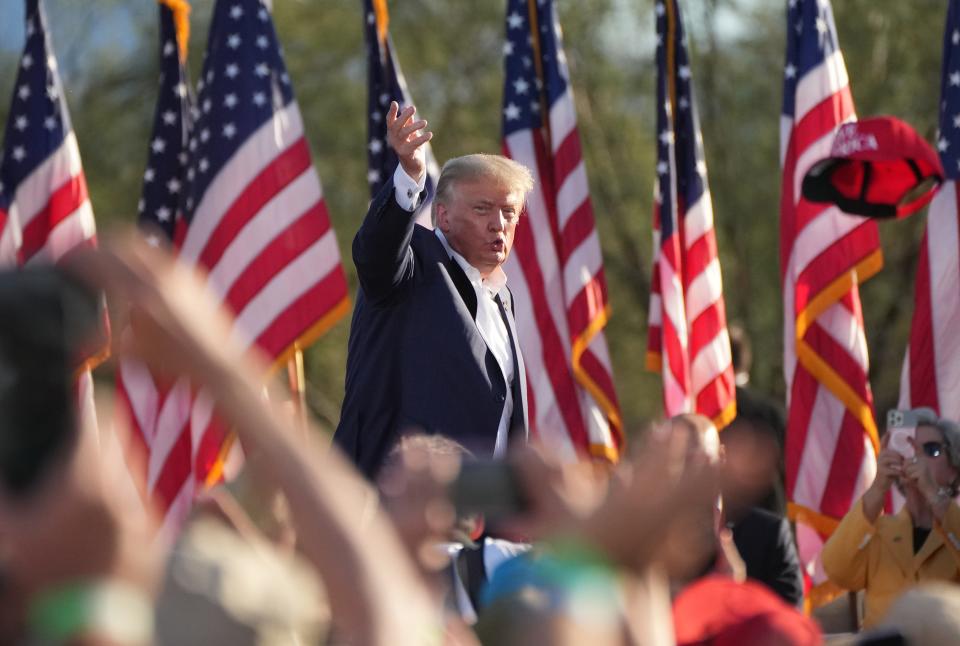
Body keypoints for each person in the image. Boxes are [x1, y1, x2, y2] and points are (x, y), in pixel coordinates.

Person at [335, 101, 534, 478]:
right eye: (482, 209)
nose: (498, 224)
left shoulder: (501, 297)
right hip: (392, 505)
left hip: (479, 519)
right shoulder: (414, 265)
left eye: (509, 212)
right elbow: (376, 253)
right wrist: (410, 175)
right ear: (442, 215)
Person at [821, 408, 960, 628]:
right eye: (908, 448)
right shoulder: (879, 530)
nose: (917, 457)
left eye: (931, 450)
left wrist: (934, 495)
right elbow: (838, 570)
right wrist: (878, 487)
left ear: (954, 470)